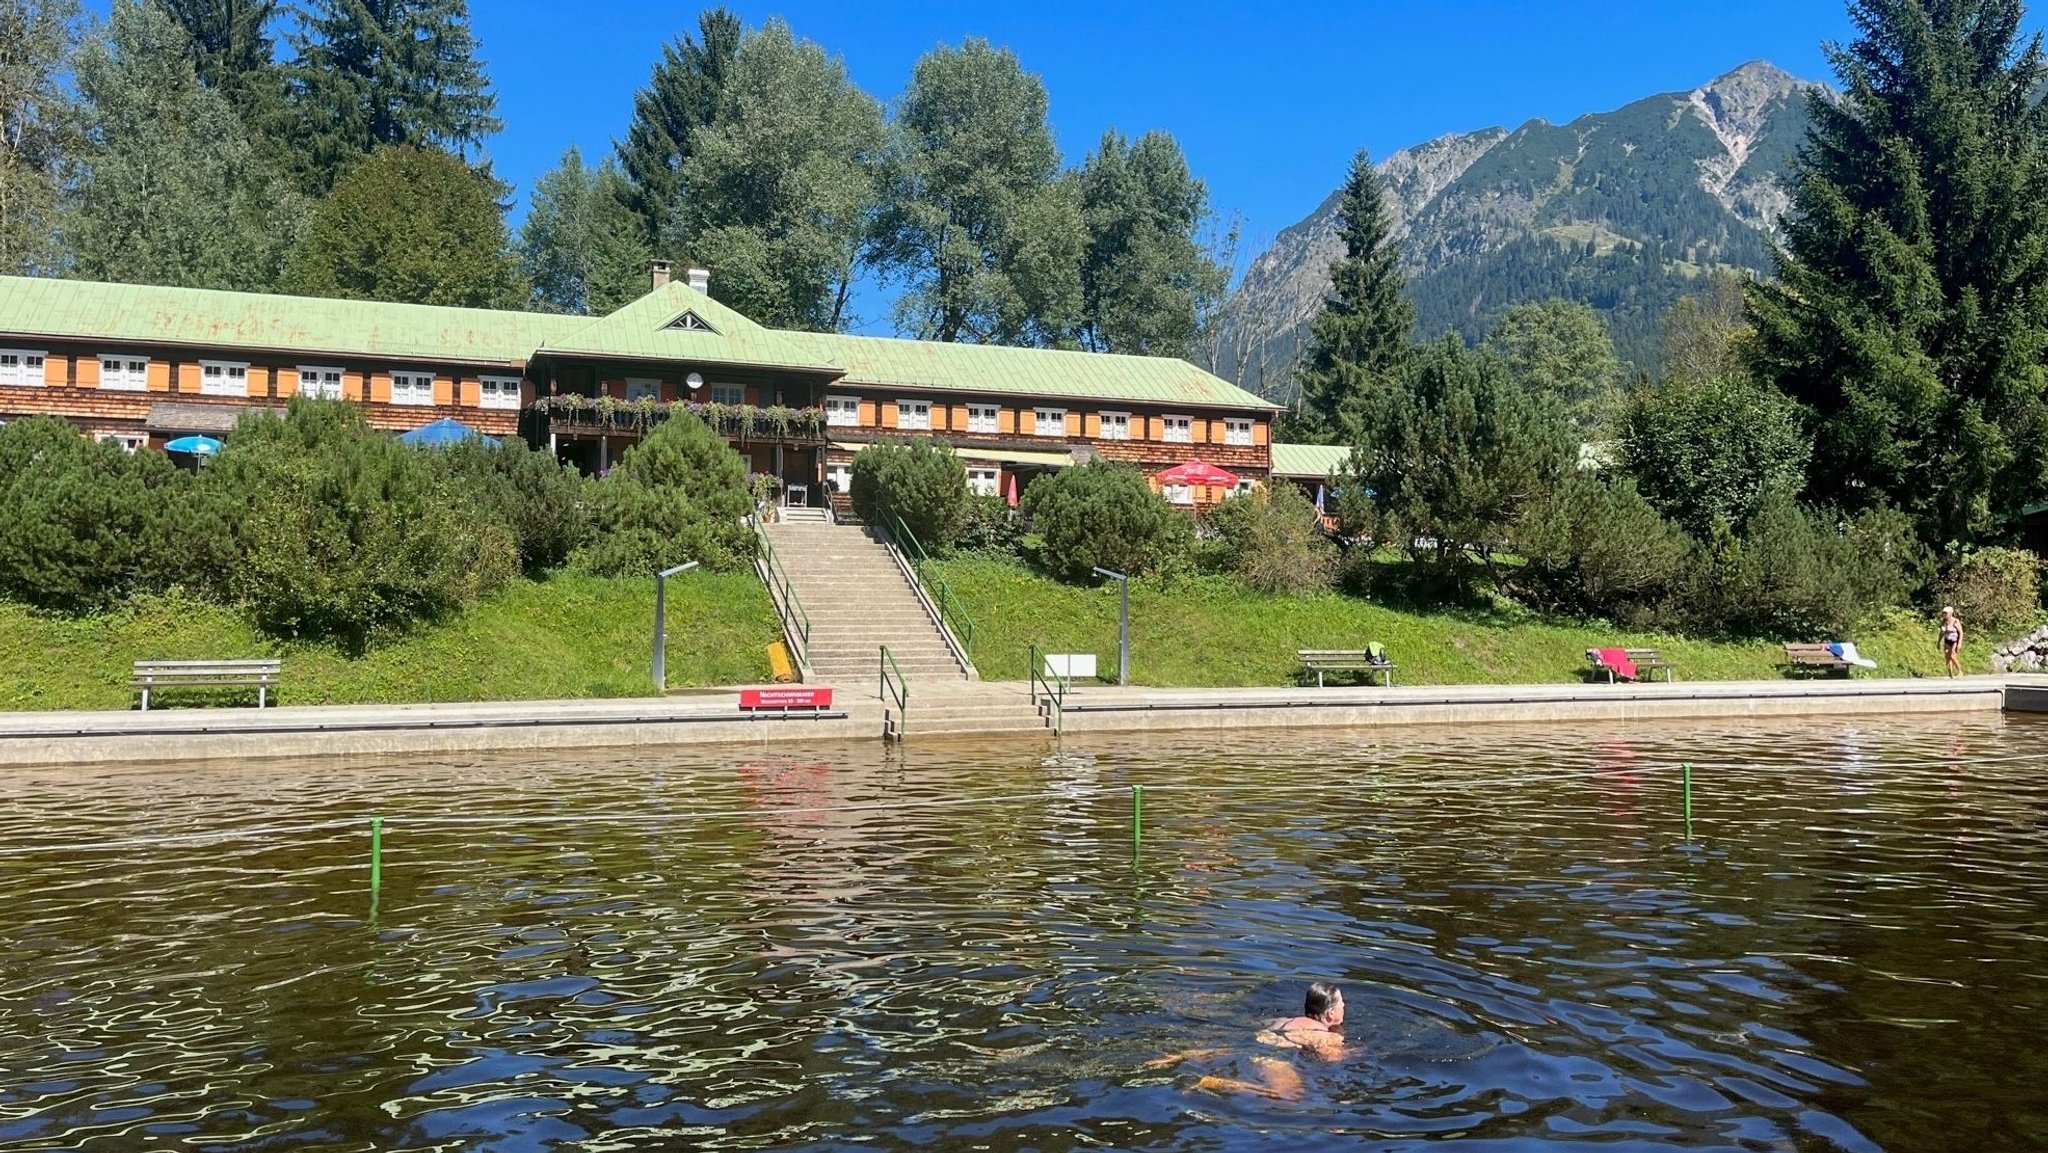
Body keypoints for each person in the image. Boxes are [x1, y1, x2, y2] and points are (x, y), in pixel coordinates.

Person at [1147, 982, 1349, 1101]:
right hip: (1276, 1058)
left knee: (1238, 1050)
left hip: (1250, 1043)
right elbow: (1333, 1061)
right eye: (1341, 1003)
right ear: (1330, 1013)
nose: (1344, 1005)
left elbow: (1253, 1030)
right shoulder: (1326, 1035)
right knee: (1290, 1097)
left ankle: (1179, 1056)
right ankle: (1218, 1083)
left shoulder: (1284, 1020)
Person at [1940, 606, 1965, 678]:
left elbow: (1961, 632)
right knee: (1947, 657)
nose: (1944, 614)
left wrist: (1959, 643)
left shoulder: (1955, 621)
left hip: (1954, 641)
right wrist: (1939, 642)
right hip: (1947, 640)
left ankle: (1960, 671)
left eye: (1946, 613)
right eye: (1943, 613)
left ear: (1950, 613)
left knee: (1953, 656)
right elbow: (1941, 633)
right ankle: (1950, 674)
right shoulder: (1943, 621)